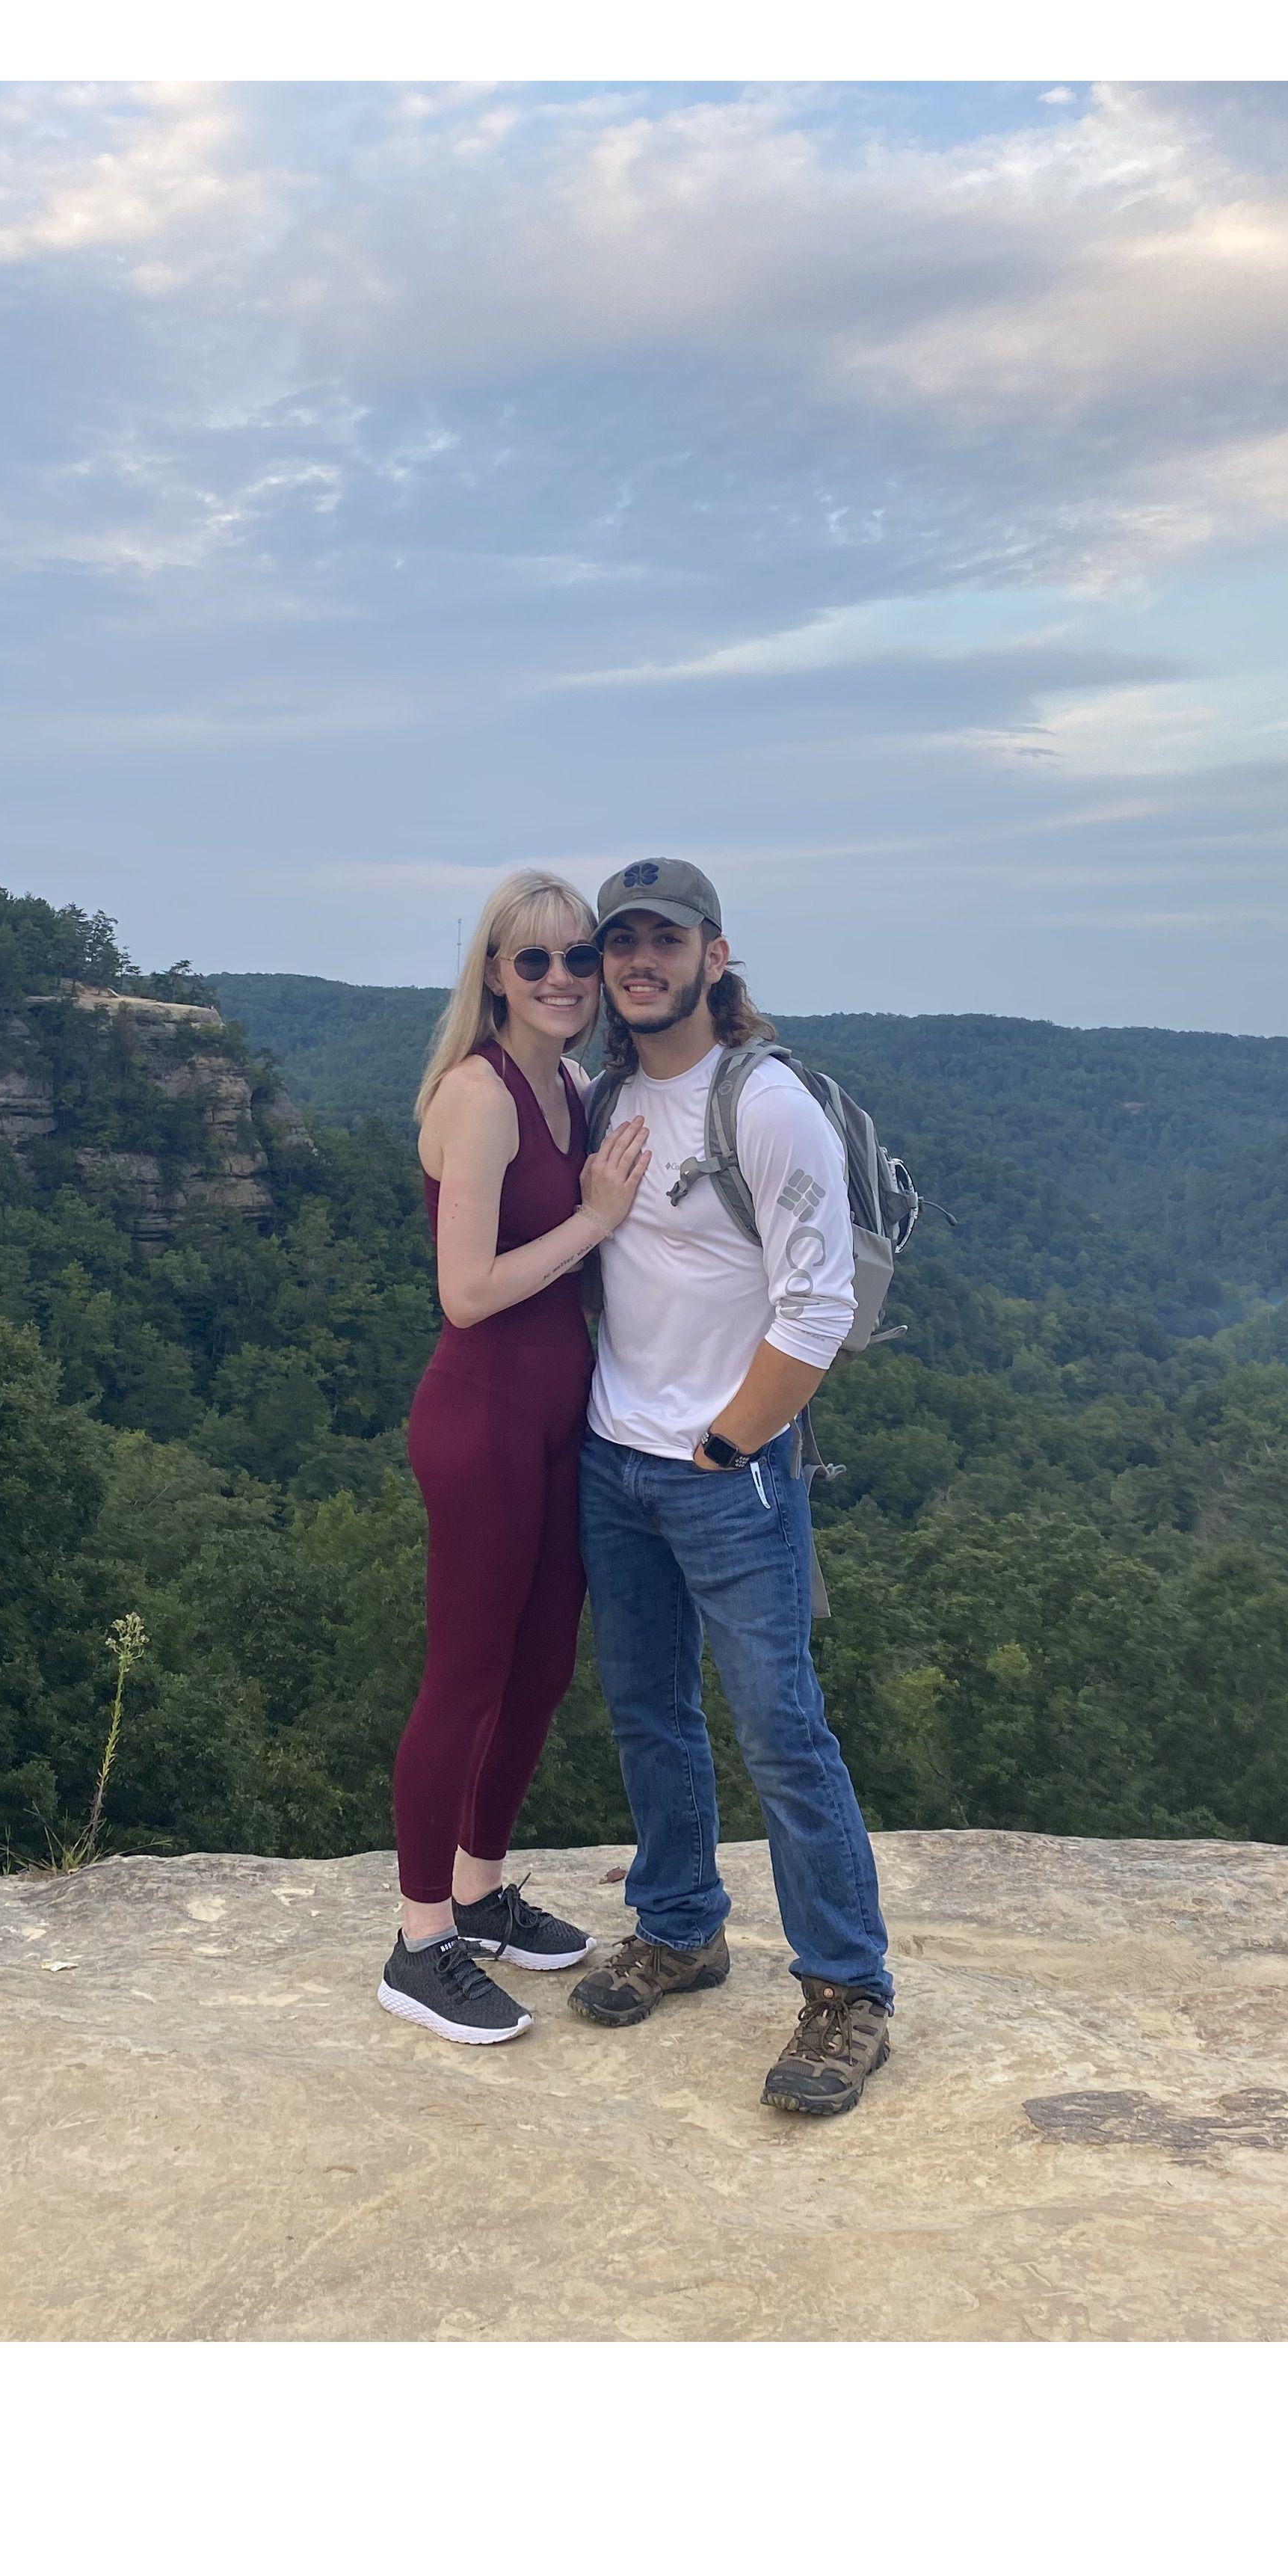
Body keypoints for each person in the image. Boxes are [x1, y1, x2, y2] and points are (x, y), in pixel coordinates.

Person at [567, 856, 896, 2116]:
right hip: (615, 1462)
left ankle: (847, 1991)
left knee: (779, 1724)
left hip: (726, 1473)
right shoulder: (604, 1101)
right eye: (620, 944)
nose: (640, 962)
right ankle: (681, 1927)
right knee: (649, 1708)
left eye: (667, 939)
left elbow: (815, 1305)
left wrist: (724, 1445)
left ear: (715, 957)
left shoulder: (764, 1105)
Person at [378, 870, 652, 2044]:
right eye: (530, 959)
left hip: (560, 1414)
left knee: (541, 1666)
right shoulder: (481, 1098)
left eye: (576, 959)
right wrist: (592, 1221)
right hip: (483, 1415)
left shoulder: (573, 1089)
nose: (558, 979)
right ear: (493, 972)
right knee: (466, 1676)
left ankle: (482, 1894)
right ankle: (419, 1937)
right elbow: (469, 1290)